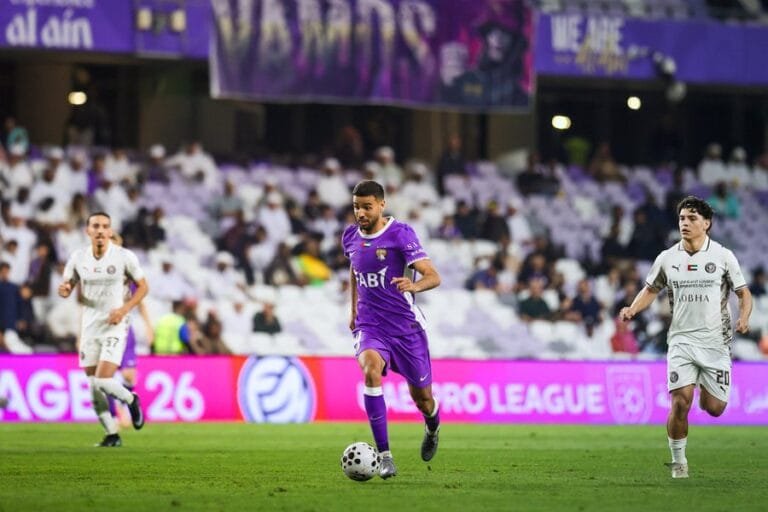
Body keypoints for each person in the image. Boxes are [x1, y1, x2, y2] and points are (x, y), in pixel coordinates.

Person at [619, 196, 752, 479]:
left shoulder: (723, 256)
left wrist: (744, 317)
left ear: (707, 223)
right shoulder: (668, 258)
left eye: (692, 218)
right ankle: (679, 463)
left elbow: (744, 293)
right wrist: (632, 308)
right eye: (682, 218)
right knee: (680, 402)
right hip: (680, 341)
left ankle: (706, 388)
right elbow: (651, 289)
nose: (685, 223)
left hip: (716, 343)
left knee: (714, 408)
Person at [342, 180, 442, 479]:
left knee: (423, 399)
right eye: (356, 206)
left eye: (367, 206)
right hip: (370, 325)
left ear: (381, 205)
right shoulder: (349, 236)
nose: (360, 212)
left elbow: (433, 275)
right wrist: (353, 310)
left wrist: (415, 285)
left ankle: (433, 426)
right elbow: (355, 270)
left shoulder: (400, 234)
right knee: (371, 370)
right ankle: (385, 455)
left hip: (405, 328)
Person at [58, 212, 149, 447]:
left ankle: (131, 399)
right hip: (90, 327)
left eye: (105, 226)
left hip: (115, 325)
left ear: (110, 231)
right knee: (93, 388)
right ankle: (112, 434)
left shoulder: (124, 257)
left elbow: (143, 287)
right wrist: (66, 288)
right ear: (88, 231)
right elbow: (69, 283)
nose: (100, 230)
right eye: (95, 226)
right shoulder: (78, 257)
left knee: (102, 380)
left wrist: (124, 309)